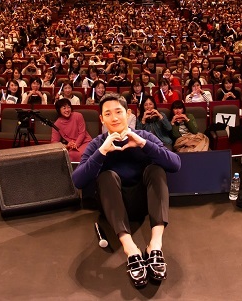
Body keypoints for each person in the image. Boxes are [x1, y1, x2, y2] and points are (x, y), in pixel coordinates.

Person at [72, 93, 181, 289]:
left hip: (144, 205)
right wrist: (102, 153)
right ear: (101, 119)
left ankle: (155, 246)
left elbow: (175, 164)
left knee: (156, 169)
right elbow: (78, 181)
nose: (114, 118)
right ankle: (131, 250)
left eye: (118, 112)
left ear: (128, 114)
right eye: (108, 114)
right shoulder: (97, 144)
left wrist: (143, 145)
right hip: (114, 209)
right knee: (106, 176)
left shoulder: (144, 136)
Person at [51, 98, 92, 162]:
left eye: (68, 107)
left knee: (79, 155)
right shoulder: (57, 124)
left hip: (85, 142)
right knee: (68, 155)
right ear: (59, 110)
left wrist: (76, 144)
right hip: (71, 146)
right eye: (64, 108)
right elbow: (54, 142)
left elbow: (82, 133)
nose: (67, 110)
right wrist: (66, 146)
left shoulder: (78, 115)